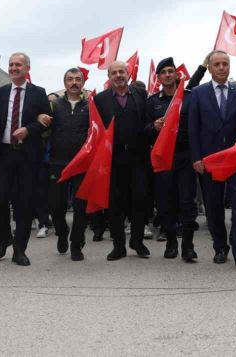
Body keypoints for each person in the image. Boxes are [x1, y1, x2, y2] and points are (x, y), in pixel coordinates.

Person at [189, 50, 236, 267]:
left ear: (229, 67)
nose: (221, 67)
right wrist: (196, 157)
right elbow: (193, 128)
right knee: (214, 206)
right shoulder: (198, 93)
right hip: (210, 161)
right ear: (209, 68)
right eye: (216, 64)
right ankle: (220, 247)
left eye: (224, 64)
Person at [0, 53, 51, 267]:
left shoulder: (38, 93)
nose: (14, 68)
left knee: (24, 203)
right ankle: (4, 237)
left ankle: (19, 249)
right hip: (4, 154)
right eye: (11, 64)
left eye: (18, 64)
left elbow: (46, 123)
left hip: (28, 155)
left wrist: (29, 130)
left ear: (27, 68)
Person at [145, 57, 206, 262]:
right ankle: (171, 242)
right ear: (159, 77)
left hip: (185, 155)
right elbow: (143, 130)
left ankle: (188, 246)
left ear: (177, 75)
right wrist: (153, 126)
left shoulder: (188, 97)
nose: (168, 75)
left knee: (188, 201)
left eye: (171, 71)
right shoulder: (152, 102)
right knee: (165, 202)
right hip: (163, 157)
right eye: (164, 72)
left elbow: (198, 125)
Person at [95, 60, 151, 261]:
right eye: (114, 72)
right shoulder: (99, 100)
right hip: (113, 159)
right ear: (108, 77)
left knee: (140, 199)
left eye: (122, 72)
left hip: (138, 157)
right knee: (115, 204)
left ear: (129, 74)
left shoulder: (141, 95)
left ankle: (137, 241)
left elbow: (148, 123)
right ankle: (118, 246)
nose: (118, 75)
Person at [41, 68, 90, 260]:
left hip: (82, 163)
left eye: (78, 79)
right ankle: (62, 232)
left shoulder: (91, 106)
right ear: (65, 83)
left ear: (83, 83)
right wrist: (41, 119)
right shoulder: (53, 105)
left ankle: (77, 244)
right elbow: (42, 127)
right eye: (70, 79)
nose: (74, 82)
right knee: (56, 205)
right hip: (57, 162)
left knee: (80, 206)